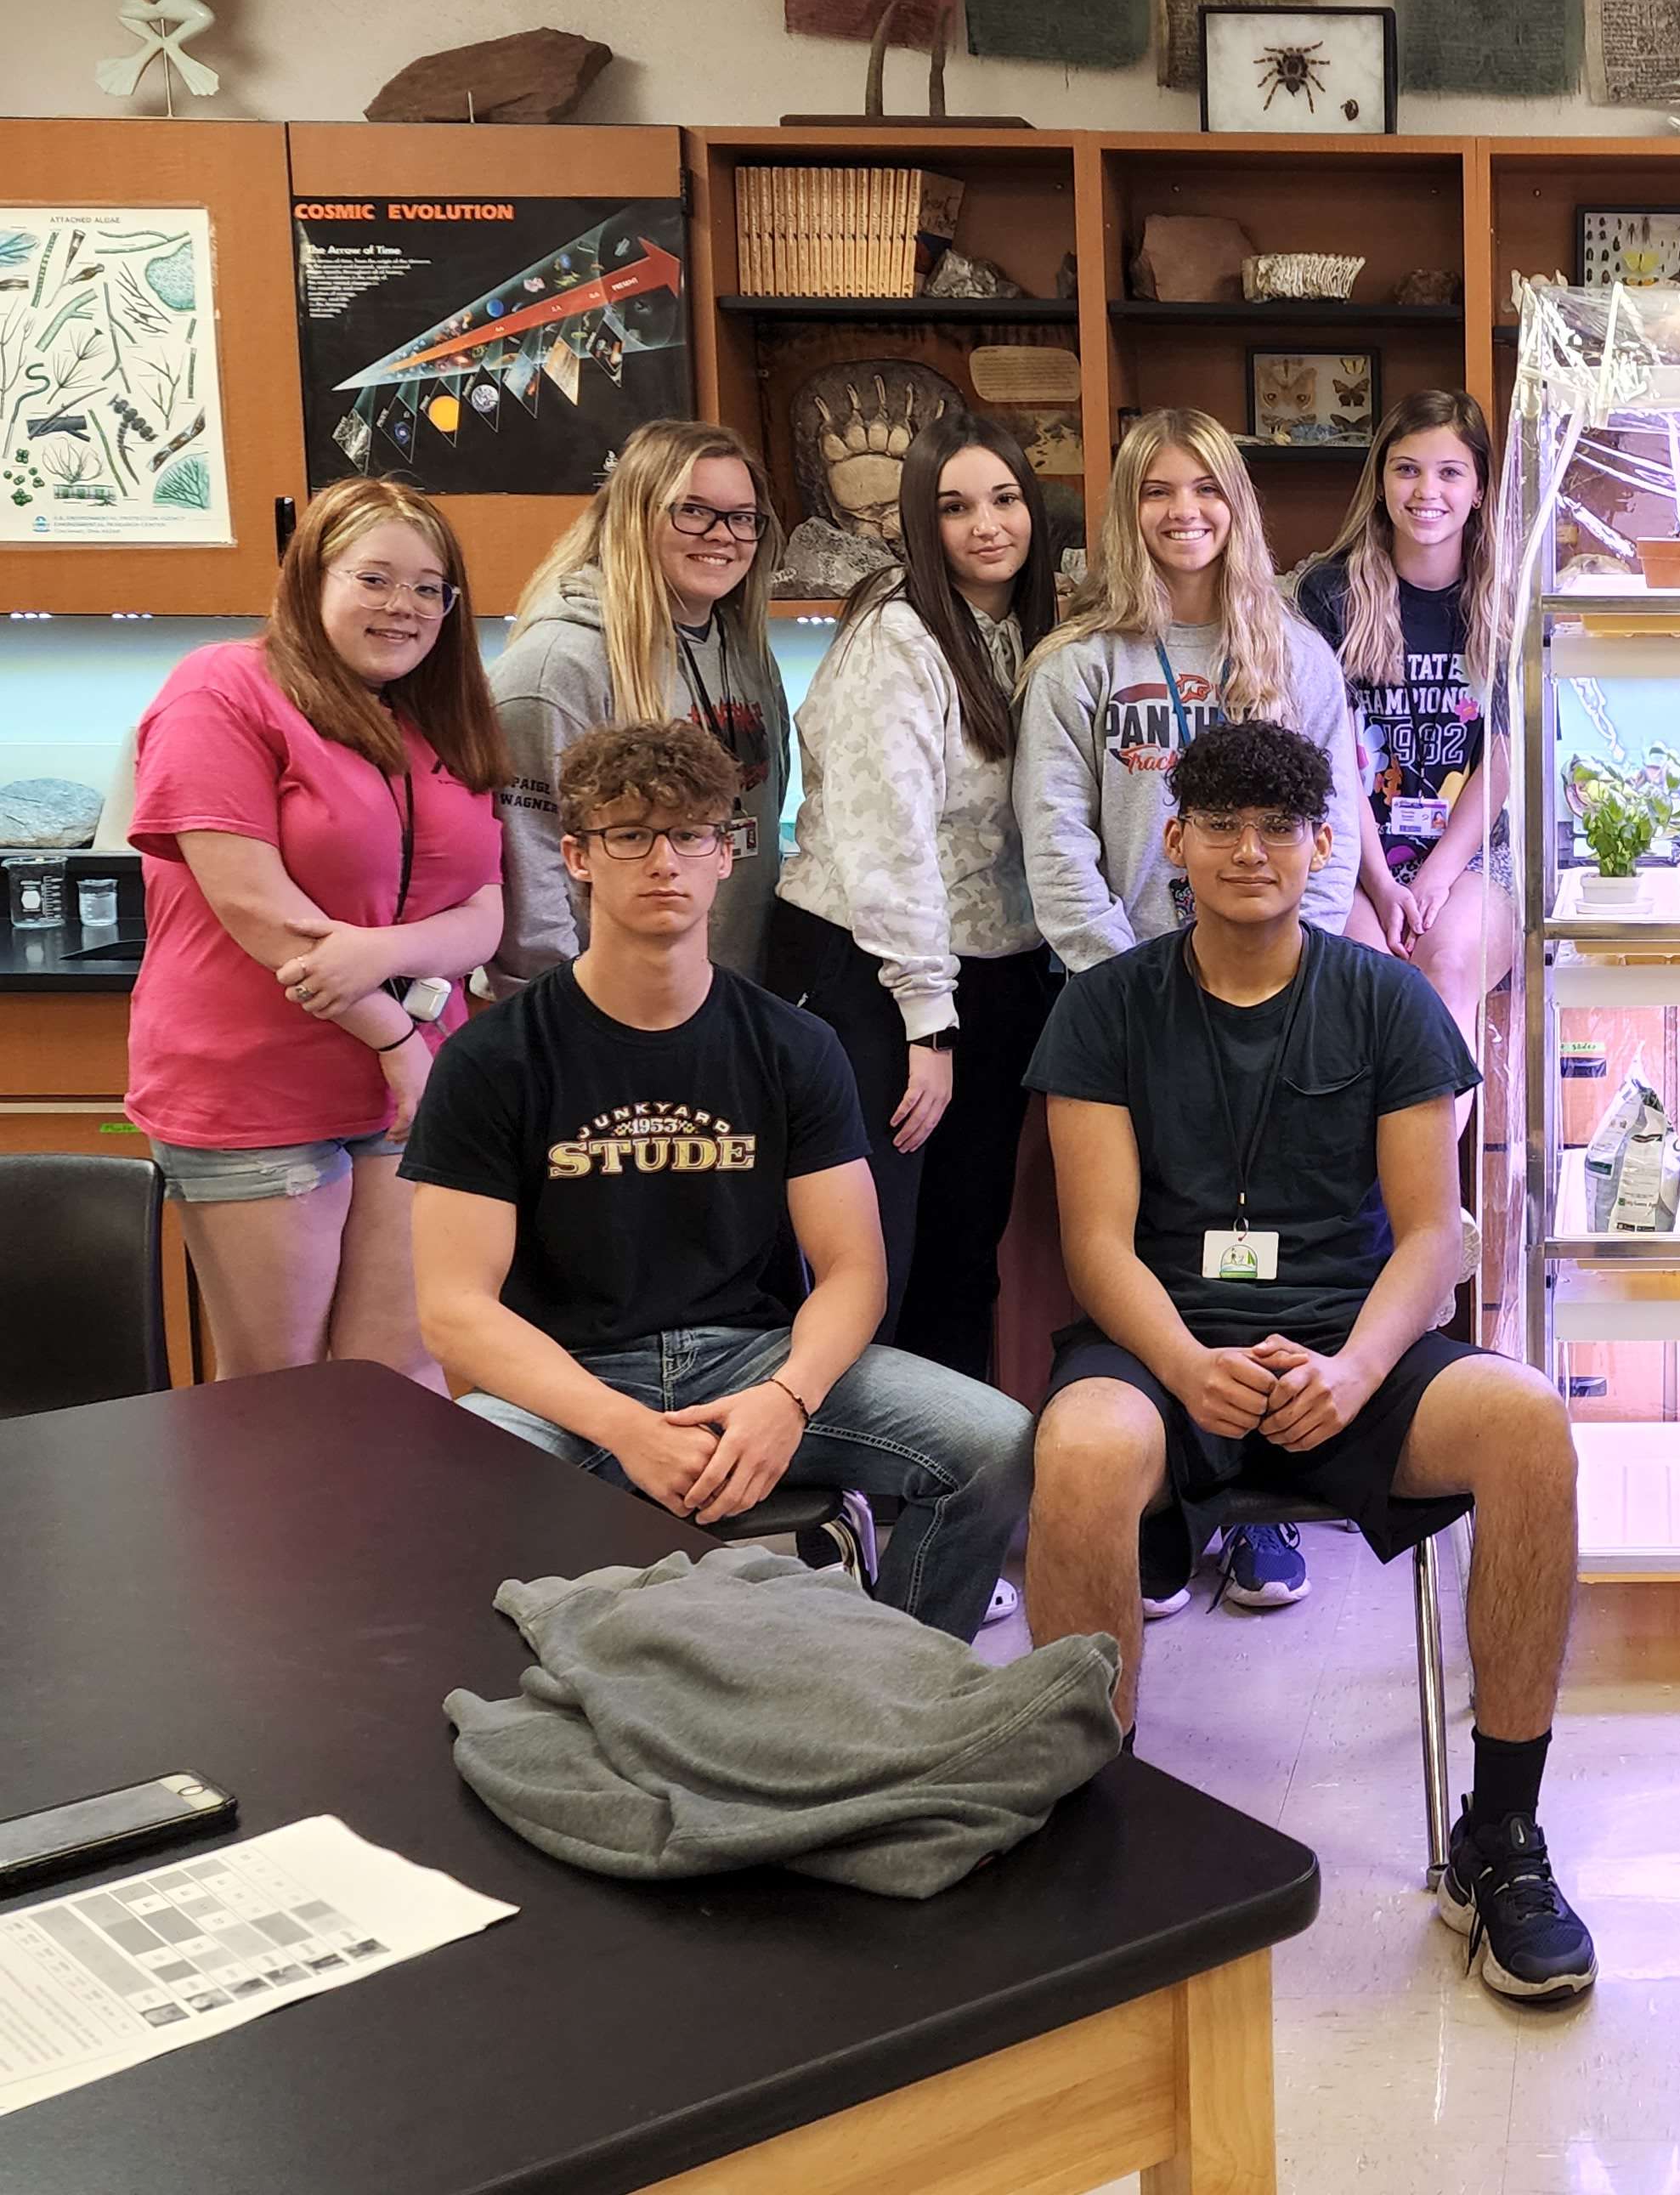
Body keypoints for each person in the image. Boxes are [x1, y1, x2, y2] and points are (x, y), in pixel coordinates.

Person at [1019, 721, 1594, 2004]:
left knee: (1527, 1424)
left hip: (1354, 1338)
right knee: (1083, 1447)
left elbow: (1434, 1236)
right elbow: (1095, 1245)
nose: (1249, 851)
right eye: (1220, 825)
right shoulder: (1104, 1007)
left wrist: (1356, 1368)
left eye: (1278, 826)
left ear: (1323, 845)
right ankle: (1092, 1825)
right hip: (1159, 1339)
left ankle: (1501, 1837)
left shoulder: (1387, 1001)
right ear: (1176, 841)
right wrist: (1183, 1364)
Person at [404, 721, 1033, 1641]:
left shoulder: (793, 1045)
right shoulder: (492, 1057)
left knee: (994, 1444)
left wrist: (790, 1398)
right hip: (569, 1379)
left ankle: (907, 1676)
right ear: (578, 857)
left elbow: (853, 1269)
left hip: (752, 1360)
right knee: (436, 1503)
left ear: (727, 852)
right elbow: (455, 1309)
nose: (664, 861)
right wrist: (623, 1427)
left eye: (690, 834)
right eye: (630, 835)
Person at [1016, 407, 1373, 1612]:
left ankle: (1266, 1500)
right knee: (1148, 1243)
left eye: (1207, 490)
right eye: (1159, 491)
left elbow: (1334, 826)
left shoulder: (1293, 655)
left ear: (1238, 507)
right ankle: (1163, 1498)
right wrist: (1132, 988)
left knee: (1280, 1243)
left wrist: (1292, 968)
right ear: (1128, 509)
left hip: (1275, 1000)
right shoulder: (1077, 663)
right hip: (1127, 1006)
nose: (1185, 513)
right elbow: (1056, 839)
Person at [123, 478, 508, 1384]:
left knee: (398, 1375)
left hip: (415, 1090)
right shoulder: (221, 688)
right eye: (374, 578)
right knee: (280, 1389)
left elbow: (484, 912)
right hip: (258, 1088)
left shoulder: (438, 718)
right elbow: (256, 907)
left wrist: (382, 956)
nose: (403, 606)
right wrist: (396, 1038)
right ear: (310, 577)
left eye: (428, 588)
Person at [772, 410, 1060, 1382]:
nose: (986, 525)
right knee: (867, 1266)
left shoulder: (1026, 632)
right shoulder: (896, 635)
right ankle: (838, 1472)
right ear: (917, 523)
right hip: (874, 973)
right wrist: (928, 1025)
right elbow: (886, 840)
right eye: (954, 507)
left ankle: (945, 1466)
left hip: (995, 972)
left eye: (1004, 499)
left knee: (962, 1253)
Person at [494, 419, 789, 987]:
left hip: (725, 994)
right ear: (634, 515)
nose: (722, 535)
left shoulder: (745, 651)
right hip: (607, 1008)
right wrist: (555, 1011)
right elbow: (529, 867)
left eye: (742, 517)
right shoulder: (558, 665)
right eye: (693, 511)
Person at [1295, 390, 1517, 1064]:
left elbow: (1503, 760)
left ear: (1479, 489)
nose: (1427, 491)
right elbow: (1328, 755)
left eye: (1450, 472)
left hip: (1471, 857)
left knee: (1446, 968)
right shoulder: (1328, 594)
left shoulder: (1505, 600)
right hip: (1351, 850)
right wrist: (1382, 881)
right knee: (1366, 984)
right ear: (1381, 480)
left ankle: (1432, 1142)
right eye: (1407, 469)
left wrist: (1435, 878)